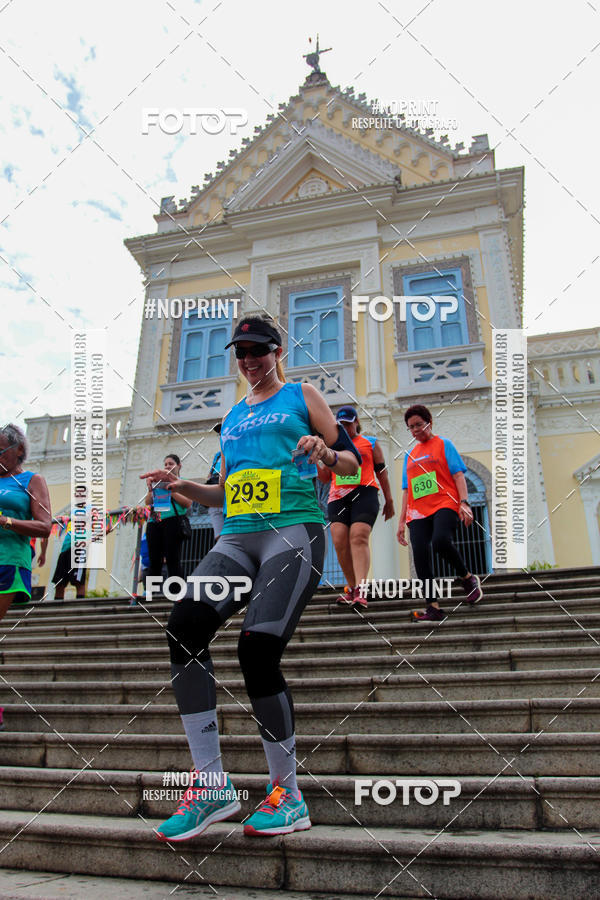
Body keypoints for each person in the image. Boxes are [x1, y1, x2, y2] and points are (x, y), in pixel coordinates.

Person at [140, 314, 360, 841]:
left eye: (258, 350)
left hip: (292, 530)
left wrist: (325, 452)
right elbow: (225, 490)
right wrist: (183, 485)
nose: (248, 360)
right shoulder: (234, 415)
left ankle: (287, 793)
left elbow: (351, 462)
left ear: (277, 350)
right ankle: (211, 784)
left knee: (256, 649)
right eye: (240, 352)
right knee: (185, 626)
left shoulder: (303, 395)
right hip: (236, 538)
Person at [396, 404, 482, 621]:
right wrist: (401, 521)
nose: (415, 430)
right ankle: (432, 607)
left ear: (429, 422)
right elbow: (407, 490)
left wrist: (464, 503)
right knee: (421, 557)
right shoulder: (410, 455)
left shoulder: (444, 444)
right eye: (411, 427)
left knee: (441, 541)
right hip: (417, 511)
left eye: (418, 425)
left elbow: (459, 475)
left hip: (445, 502)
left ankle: (467, 578)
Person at [318, 406, 395, 608]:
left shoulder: (370, 443)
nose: (345, 427)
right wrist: (317, 461)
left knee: (358, 536)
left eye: (348, 423)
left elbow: (382, 473)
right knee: (339, 540)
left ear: (356, 423)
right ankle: (351, 588)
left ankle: (361, 589)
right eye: (341, 424)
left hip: (365, 492)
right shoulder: (333, 446)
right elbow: (325, 478)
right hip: (337, 496)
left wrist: (389, 500)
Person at [0, 424, 52, 621]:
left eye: (0, 452)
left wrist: (5, 521)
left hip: (7, 560)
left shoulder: (31, 480)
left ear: (19, 449)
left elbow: (45, 527)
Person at [144, 454, 192, 587]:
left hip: (173, 521)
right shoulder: (158, 482)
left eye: (170, 464)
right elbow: (148, 502)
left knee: (173, 559)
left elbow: (187, 503)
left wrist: (171, 489)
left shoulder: (182, 482)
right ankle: (150, 593)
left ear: (179, 466)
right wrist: (152, 489)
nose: (167, 466)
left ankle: (177, 593)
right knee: (154, 560)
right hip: (155, 522)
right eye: (165, 464)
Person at [206, 424, 224, 540]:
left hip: (230, 498)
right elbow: (210, 474)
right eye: (220, 434)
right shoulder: (217, 455)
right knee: (219, 537)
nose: (222, 436)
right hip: (215, 498)